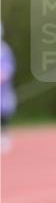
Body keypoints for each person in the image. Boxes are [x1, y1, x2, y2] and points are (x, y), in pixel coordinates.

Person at [1, 23, 17, 152]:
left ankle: (4, 137)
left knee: (3, 113)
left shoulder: (4, 50)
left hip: (3, 91)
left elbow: (8, 68)